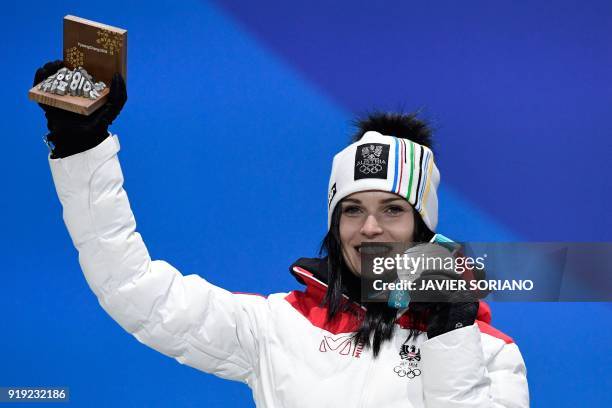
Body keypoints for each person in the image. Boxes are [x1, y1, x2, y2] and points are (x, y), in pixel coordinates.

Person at [36, 60, 529, 407]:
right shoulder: (275, 327)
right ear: (335, 225)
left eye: (393, 209)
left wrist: (450, 334)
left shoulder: (490, 352)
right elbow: (134, 289)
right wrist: (82, 151)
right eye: (352, 209)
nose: (370, 227)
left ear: (423, 227)